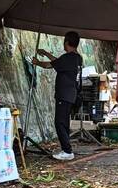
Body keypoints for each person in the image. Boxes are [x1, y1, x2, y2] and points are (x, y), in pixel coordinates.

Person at [32, 31, 83, 160]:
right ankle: (66, 150)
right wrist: (45, 53)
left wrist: (37, 62)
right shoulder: (77, 58)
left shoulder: (68, 58)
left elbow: (50, 65)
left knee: (59, 123)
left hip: (64, 95)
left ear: (66, 42)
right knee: (64, 122)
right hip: (72, 95)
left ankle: (67, 151)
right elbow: (58, 62)